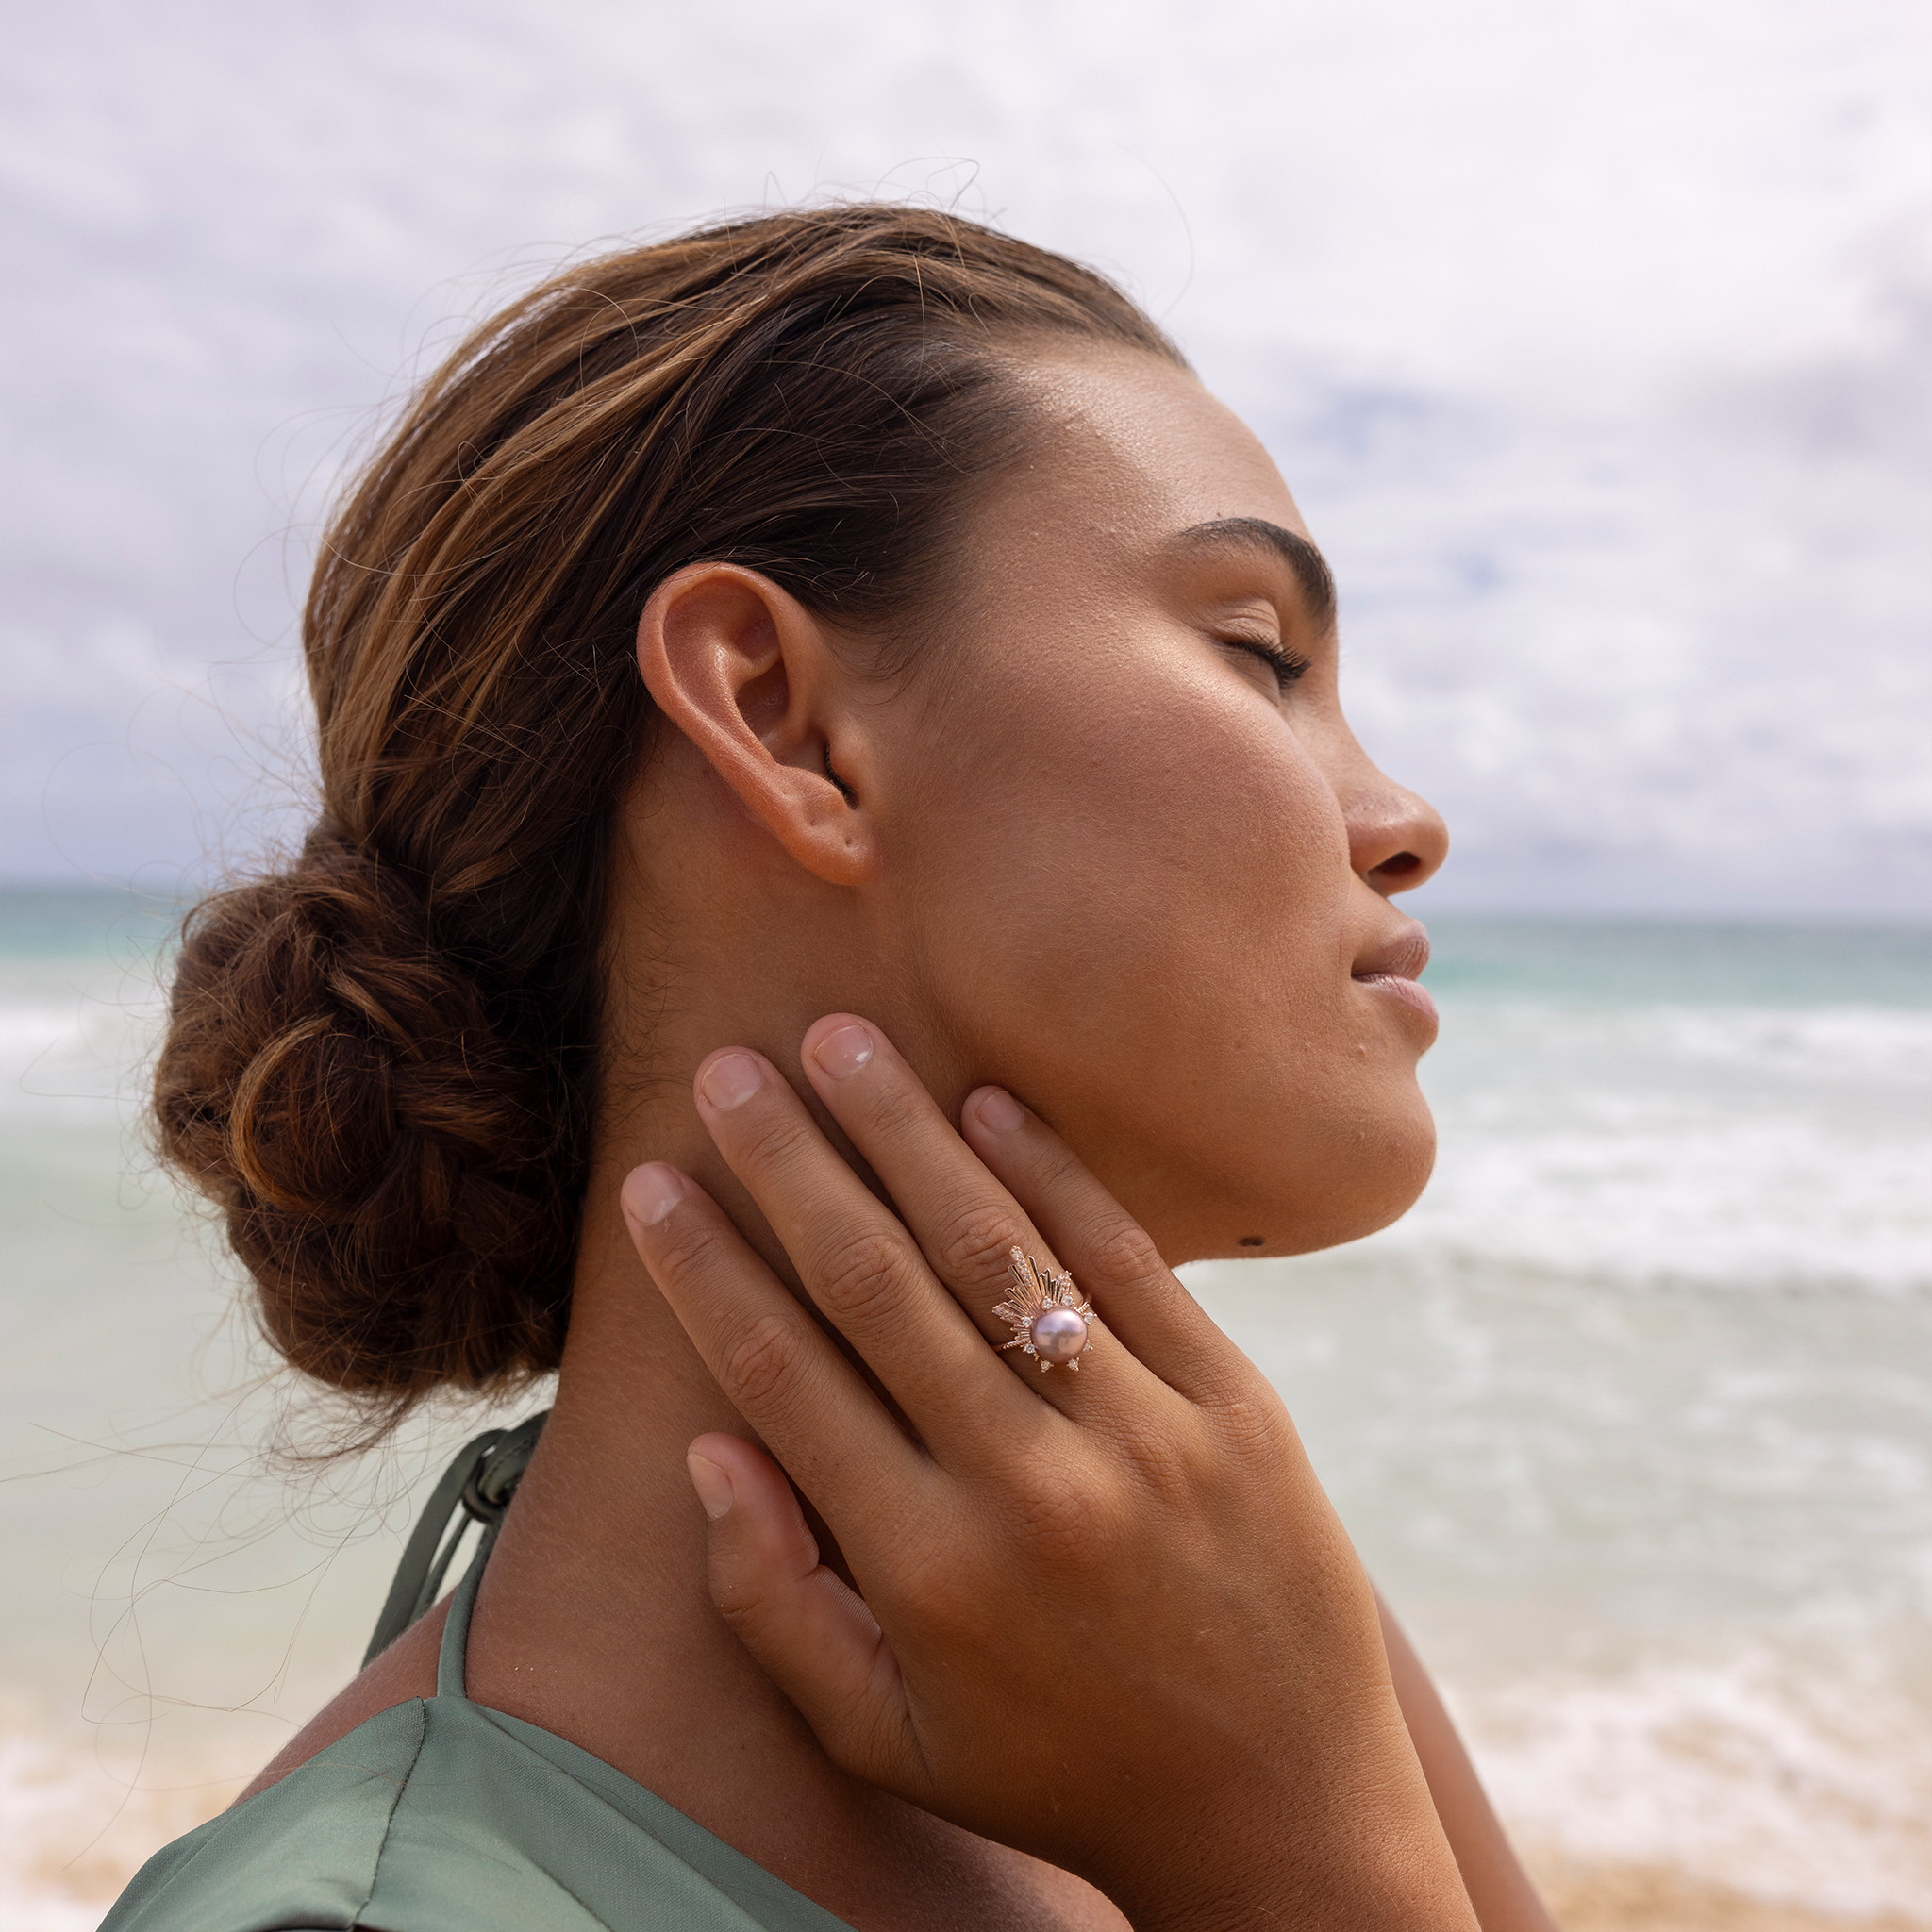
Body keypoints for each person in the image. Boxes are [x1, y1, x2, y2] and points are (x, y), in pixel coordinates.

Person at [110, 204, 1556, 1930]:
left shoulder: (1227, 1627)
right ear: (783, 719)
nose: (1405, 823)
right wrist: (1302, 1869)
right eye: (1259, 653)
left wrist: (1298, 1787)